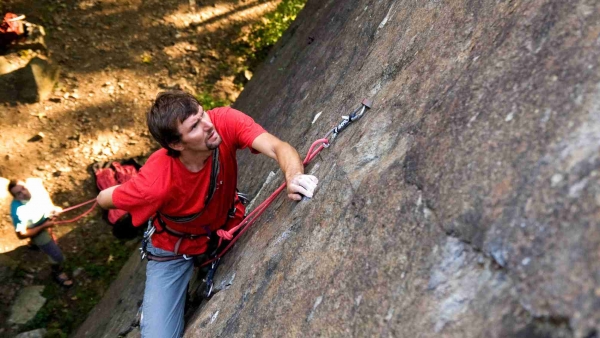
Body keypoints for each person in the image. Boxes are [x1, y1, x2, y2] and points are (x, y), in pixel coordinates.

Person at [97, 91, 318, 338]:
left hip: (221, 225)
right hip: (173, 250)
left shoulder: (223, 120)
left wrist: (294, 176)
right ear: (176, 144)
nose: (208, 125)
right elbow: (103, 199)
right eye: (194, 126)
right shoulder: (155, 182)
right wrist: (132, 189)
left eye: (202, 113)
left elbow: (279, 147)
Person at [8, 179, 74, 287]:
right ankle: (57, 272)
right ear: (15, 198)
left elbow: (45, 199)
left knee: (41, 242)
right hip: (35, 228)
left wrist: (53, 209)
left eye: (23, 188)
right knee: (57, 255)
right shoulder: (18, 212)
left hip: (42, 219)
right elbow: (21, 235)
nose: (24, 193)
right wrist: (44, 226)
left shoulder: (35, 185)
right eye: (18, 193)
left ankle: (34, 244)